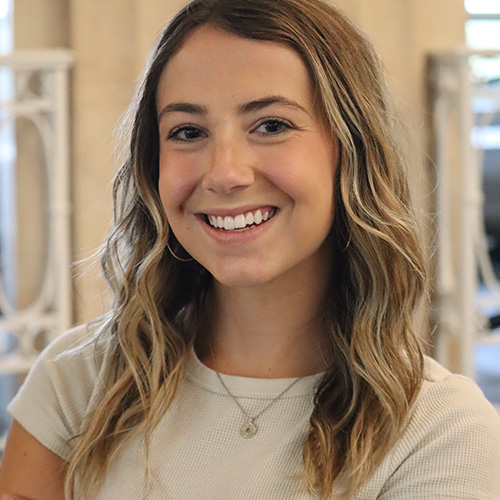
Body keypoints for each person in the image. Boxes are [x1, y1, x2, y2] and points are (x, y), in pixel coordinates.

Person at [1, 0, 500, 498]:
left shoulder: (442, 435)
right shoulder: (79, 381)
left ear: (350, 150)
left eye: (272, 125)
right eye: (188, 132)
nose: (224, 173)